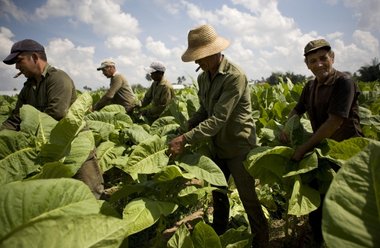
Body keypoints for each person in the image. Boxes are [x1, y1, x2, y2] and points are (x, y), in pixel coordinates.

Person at [168, 24, 269, 247]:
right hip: (217, 145)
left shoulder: (235, 76)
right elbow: (205, 110)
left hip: (238, 146)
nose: (197, 62)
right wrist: (185, 127)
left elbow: (218, 119)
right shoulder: (204, 78)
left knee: (248, 198)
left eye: (200, 57)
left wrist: (185, 139)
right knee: (218, 194)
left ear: (215, 52)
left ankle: (262, 241)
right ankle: (220, 234)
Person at [280, 39, 363, 246]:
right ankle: (320, 241)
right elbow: (297, 110)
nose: (319, 64)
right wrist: (286, 128)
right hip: (322, 152)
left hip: (347, 153)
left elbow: (335, 121)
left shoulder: (344, 82)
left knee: (347, 206)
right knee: (318, 205)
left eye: (323, 59)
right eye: (313, 60)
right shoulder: (310, 86)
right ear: (307, 65)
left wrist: (303, 149)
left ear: (332, 58)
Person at [1, 39, 104, 199]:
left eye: (19, 61)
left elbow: (57, 113)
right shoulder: (27, 88)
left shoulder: (57, 79)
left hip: (75, 146)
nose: (16, 67)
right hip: (48, 148)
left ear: (34, 57)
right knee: (56, 197)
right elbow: (16, 118)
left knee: (89, 195)